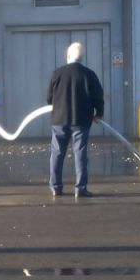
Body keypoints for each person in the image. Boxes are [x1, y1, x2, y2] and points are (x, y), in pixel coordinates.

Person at [46, 41, 104, 199]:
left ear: (68, 56)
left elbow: (49, 98)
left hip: (59, 119)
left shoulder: (57, 73)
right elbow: (98, 96)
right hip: (81, 120)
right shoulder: (89, 74)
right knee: (80, 154)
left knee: (57, 154)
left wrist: (56, 104)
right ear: (82, 57)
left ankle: (56, 187)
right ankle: (81, 187)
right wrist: (99, 113)